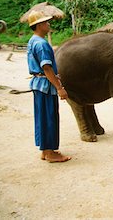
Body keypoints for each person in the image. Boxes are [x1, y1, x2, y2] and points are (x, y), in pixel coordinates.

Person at [27, 10, 71, 163]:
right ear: (39, 25)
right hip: (46, 86)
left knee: (42, 117)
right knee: (49, 117)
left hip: (38, 84)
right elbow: (46, 68)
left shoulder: (33, 40)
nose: (48, 24)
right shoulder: (41, 44)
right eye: (46, 22)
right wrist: (59, 87)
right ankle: (50, 152)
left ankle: (45, 150)